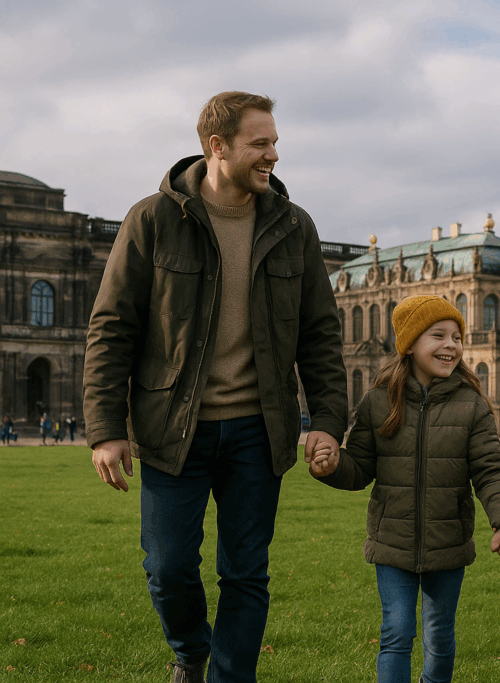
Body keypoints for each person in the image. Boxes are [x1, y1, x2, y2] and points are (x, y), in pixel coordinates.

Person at [84, 91, 348, 683]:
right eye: (261, 143)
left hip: (260, 429)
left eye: (275, 142)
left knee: (246, 573)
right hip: (173, 427)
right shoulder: (151, 219)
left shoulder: (294, 226)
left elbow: (321, 335)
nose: (273, 155)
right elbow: (111, 329)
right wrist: (105, 430)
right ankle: (190, 651)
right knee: (168, 567)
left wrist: (328, 420)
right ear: (217, 147)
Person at [311, 295, 500, 683]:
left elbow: (491, 470)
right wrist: (333, 465)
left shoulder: (472, 405)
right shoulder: (378, 401)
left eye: (457, 337)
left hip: (448, 544)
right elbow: (358, 469)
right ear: (409, 344)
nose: (451, 346)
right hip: (392, 542)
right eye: (439, 335)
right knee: (396, 633)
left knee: (439, 637)